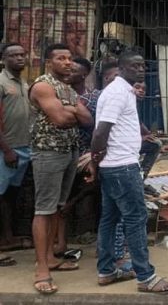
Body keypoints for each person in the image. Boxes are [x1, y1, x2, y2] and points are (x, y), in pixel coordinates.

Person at [87, 51, 168, 295]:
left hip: (115, 167)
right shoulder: (117, 94)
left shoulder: (123, 91)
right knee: (136, 219)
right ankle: (146, 276)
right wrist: (95, 161)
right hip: (122, 168)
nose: (140, 70)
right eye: (134, 66)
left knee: (110, 218)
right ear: (122, 68)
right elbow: (99, 133)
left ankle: (106, 270)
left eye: (142, 65)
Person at [28, 44, 93, 295]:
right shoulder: (43, 85)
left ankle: (52, 257)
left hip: (69, 151)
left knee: (57, 207)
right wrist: (72, 112)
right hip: (48, 152)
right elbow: (61, 119)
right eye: (61, 58)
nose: (67, 62)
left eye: (69, 58)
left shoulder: (67, 88)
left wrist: (72, 110)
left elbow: (87, 121)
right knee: (44, 209)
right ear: (49, 62)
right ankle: (41, 268)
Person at [0, 44, 32, 267]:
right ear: (4, 59)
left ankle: (8, 238)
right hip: (6, 149)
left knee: (11, 196)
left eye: (22, 55)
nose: (20, 58)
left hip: (24, 148)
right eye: (14, 55)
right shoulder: (1, 82)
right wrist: (7, 149)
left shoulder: (24, 83)